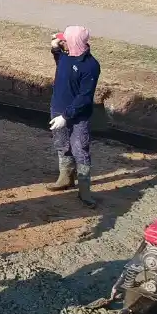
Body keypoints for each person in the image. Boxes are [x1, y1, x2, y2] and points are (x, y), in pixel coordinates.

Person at [47, 26, 101, 208]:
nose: (63, 42)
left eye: (66, 40)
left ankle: (85, 191)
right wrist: (54, 47)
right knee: (62, 145)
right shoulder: (65, 56)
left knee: (80, 149)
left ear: (76, 42)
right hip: (57, 110)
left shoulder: (90, 66)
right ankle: (65, 178)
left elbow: (84, 97)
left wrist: (66, 116)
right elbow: (59, 61)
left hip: (77, 116)